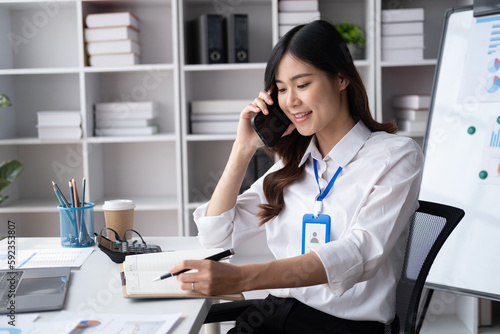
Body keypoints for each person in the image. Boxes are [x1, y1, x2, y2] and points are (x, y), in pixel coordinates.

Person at [169, 19, 424, 333]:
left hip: (344, 325)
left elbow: (360, 253)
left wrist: (243, 278)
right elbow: (215, 235)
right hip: (275, 312)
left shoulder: (396, 155)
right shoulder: (293, 162)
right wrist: (242, 149)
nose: (290, 101)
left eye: (302, 85)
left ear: (341, 78)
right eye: (281, 89)